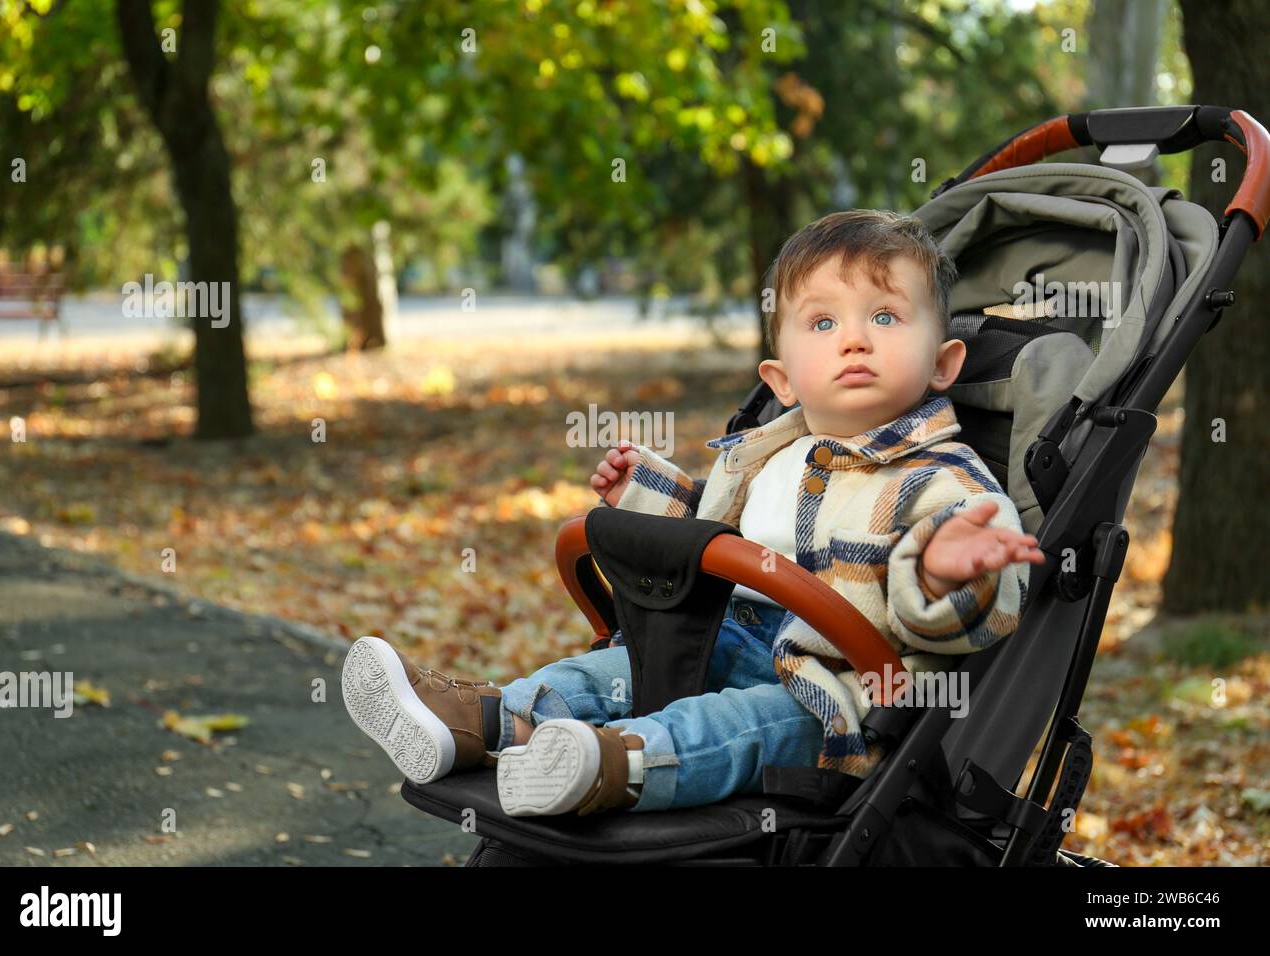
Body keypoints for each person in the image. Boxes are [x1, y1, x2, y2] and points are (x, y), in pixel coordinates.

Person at [342, 208, 1044, 819]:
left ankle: (613, 767)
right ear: (780, 378)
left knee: (728, 727)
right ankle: (483, 722)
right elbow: (710, 533)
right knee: (605, 674)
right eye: (823, 321)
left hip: (825, 689)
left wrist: (948, 572)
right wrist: (642, 496)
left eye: (885, 317)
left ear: (945, 363)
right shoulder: (767, 454)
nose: (854, 339)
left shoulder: (945, 485)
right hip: (710, 636)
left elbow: (983, 616)